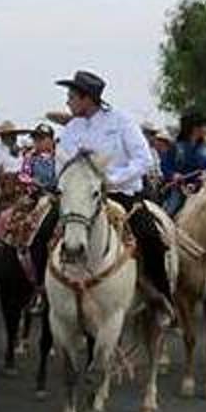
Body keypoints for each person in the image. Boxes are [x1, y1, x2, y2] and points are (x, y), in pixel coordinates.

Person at [51, 70, 174, 304]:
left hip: (121, 196)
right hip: (80, 198)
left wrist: (113, 178)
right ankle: (44, 291)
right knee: (45, 231)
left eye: (72, 96)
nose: (67, 101)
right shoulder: (71, 128)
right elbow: (62, 164)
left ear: (87, 98)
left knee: (151, 237)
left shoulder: (121, 121)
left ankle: (161, 297)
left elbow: (143, 159)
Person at [162, 108, 206, 216]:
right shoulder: (176, 147)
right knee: (170, 210)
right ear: (194, 128)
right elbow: (166, 165)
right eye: (204, 126)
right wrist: (174, 175)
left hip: (202, 189)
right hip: (179, 189)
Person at [19, 122, 58, 192]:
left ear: (51, 140)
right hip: (36, 193)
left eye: (41, 139)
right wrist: (32, 181)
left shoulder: (59, 156)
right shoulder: (30, 157)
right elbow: (23, 175)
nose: (37, 141)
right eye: (35, 139)